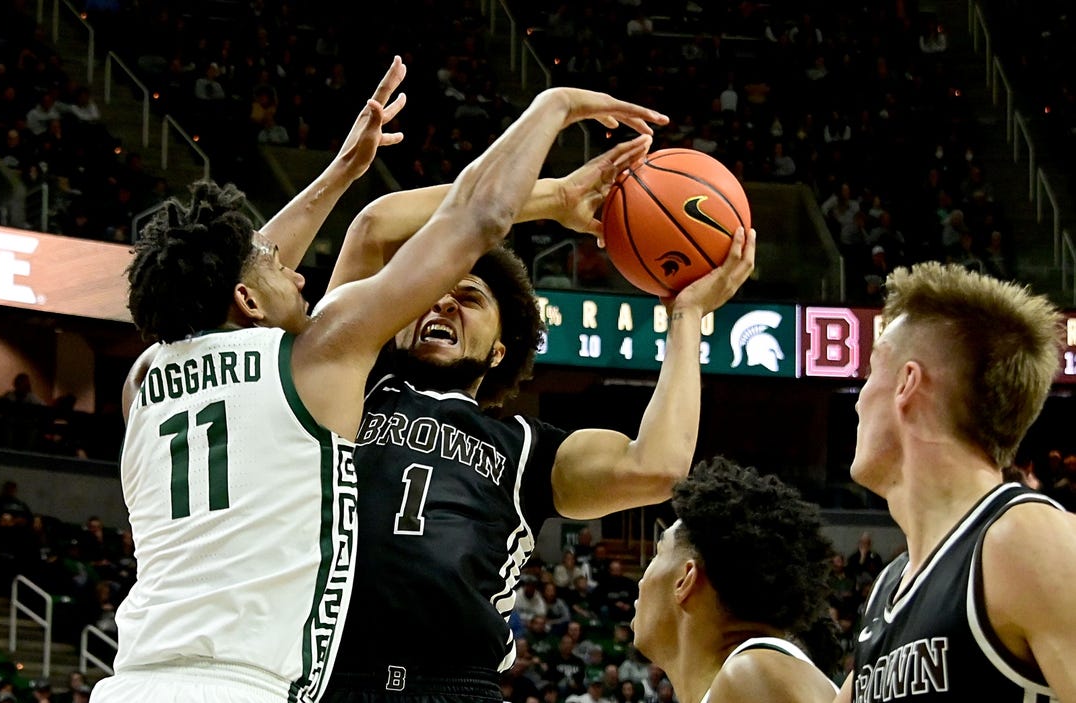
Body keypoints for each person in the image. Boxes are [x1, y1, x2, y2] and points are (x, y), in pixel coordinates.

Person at [93, 56, 667, 702]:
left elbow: (225, 279)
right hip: (243, 685)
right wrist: (552, 108)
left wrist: (340, 175)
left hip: (130, 681)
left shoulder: (143, 381)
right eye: (280, 268)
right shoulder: (311, 357)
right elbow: (477, 218)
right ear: (248, 301)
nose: (299, 272)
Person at [312, 149, 751, 703]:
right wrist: (552, 198)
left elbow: (657, 466)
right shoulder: (347, 385)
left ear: (499, 351)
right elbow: (374, 226)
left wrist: (686, 317)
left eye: (469, 298)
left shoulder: (523, 446)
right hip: (323, 680)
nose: (444, 303)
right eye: (428, 296)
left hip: (457, 688)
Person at [834, 262, 1076, 702]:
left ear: (908, 383)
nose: (859, 399)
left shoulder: (1025, 540)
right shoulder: (887, 589)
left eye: (871, 373)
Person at [631, 457, 838, 703]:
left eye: (658, 552)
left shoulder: (751, 674)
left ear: (686, 579)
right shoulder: (751, 676)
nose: (641, 581)